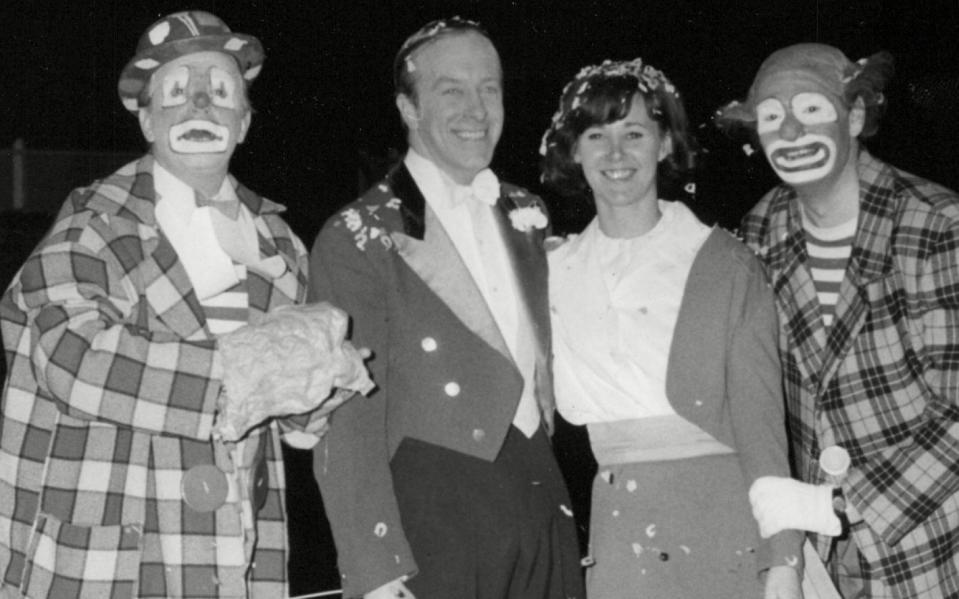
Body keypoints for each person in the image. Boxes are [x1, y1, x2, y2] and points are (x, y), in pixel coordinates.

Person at [0, 11, 354, 598]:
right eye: (176, 90)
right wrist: (244, 372)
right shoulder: (91, 227)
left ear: (243, 122)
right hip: (107, 554)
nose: (198, 105)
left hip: (232, 549)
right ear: (145, 117)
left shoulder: (281, 245)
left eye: (219, 92)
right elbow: (73, 358)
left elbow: (281, 406)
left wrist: (316, 392)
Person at [309, 17, 585, 599]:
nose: (476, 108)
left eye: (489, 88)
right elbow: (345, 415)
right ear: (408, 109)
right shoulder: (358, 233)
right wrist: (374, 566)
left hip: (543, 494)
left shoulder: (526, 213)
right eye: (450, 90)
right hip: (435, 514)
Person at [540, 58, 804, 599]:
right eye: (596, 135)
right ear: (574, 150)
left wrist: (785, 557)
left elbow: (761, 425)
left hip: (724, 522)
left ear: (663, 144)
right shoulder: (552, 273)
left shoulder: (723, 262)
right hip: (619, 527)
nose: (616, 154)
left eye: (634, 133)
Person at [719, 43, 959, 598]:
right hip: (816, 562)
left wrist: (841, 500)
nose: (792, 134)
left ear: (853, 116)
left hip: (924, 550)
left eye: (811, 110)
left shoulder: (936, 225)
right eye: (772, 118)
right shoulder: (758, 233)